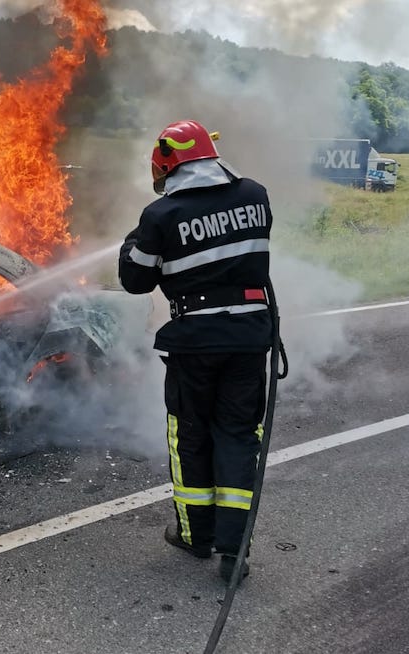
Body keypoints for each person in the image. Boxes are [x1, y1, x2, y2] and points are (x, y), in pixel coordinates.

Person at [117, 119, 274, 584]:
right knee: (239, 435)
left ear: (166, 162)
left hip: (196, 345)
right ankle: (234, 550)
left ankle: (195, 536)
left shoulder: (160, 216)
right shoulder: (256, 195)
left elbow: (135, 280)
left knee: (192, 437)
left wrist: (133, 244)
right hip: (249, 338)